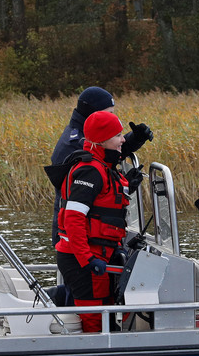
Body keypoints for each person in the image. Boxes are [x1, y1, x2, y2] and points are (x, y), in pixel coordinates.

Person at [54, 110, 133, 333]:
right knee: (94, 320)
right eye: (118, 135)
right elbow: (74, 218)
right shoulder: (90, 171)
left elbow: (105, 202)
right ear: (102, 140)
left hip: (99, 256)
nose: (123, 140)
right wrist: (86, 258)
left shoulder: (102, 167)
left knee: (104, 316)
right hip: (85, 259)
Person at [49, 87, 153, 247]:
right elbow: (81, 190)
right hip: (77, 237)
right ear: (93, 113)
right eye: (109, 113)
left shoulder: (88, 137)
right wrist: (124, 185)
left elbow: (106, 153)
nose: (112, 117)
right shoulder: (73, 145)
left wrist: (135, 139)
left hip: (93, 231)